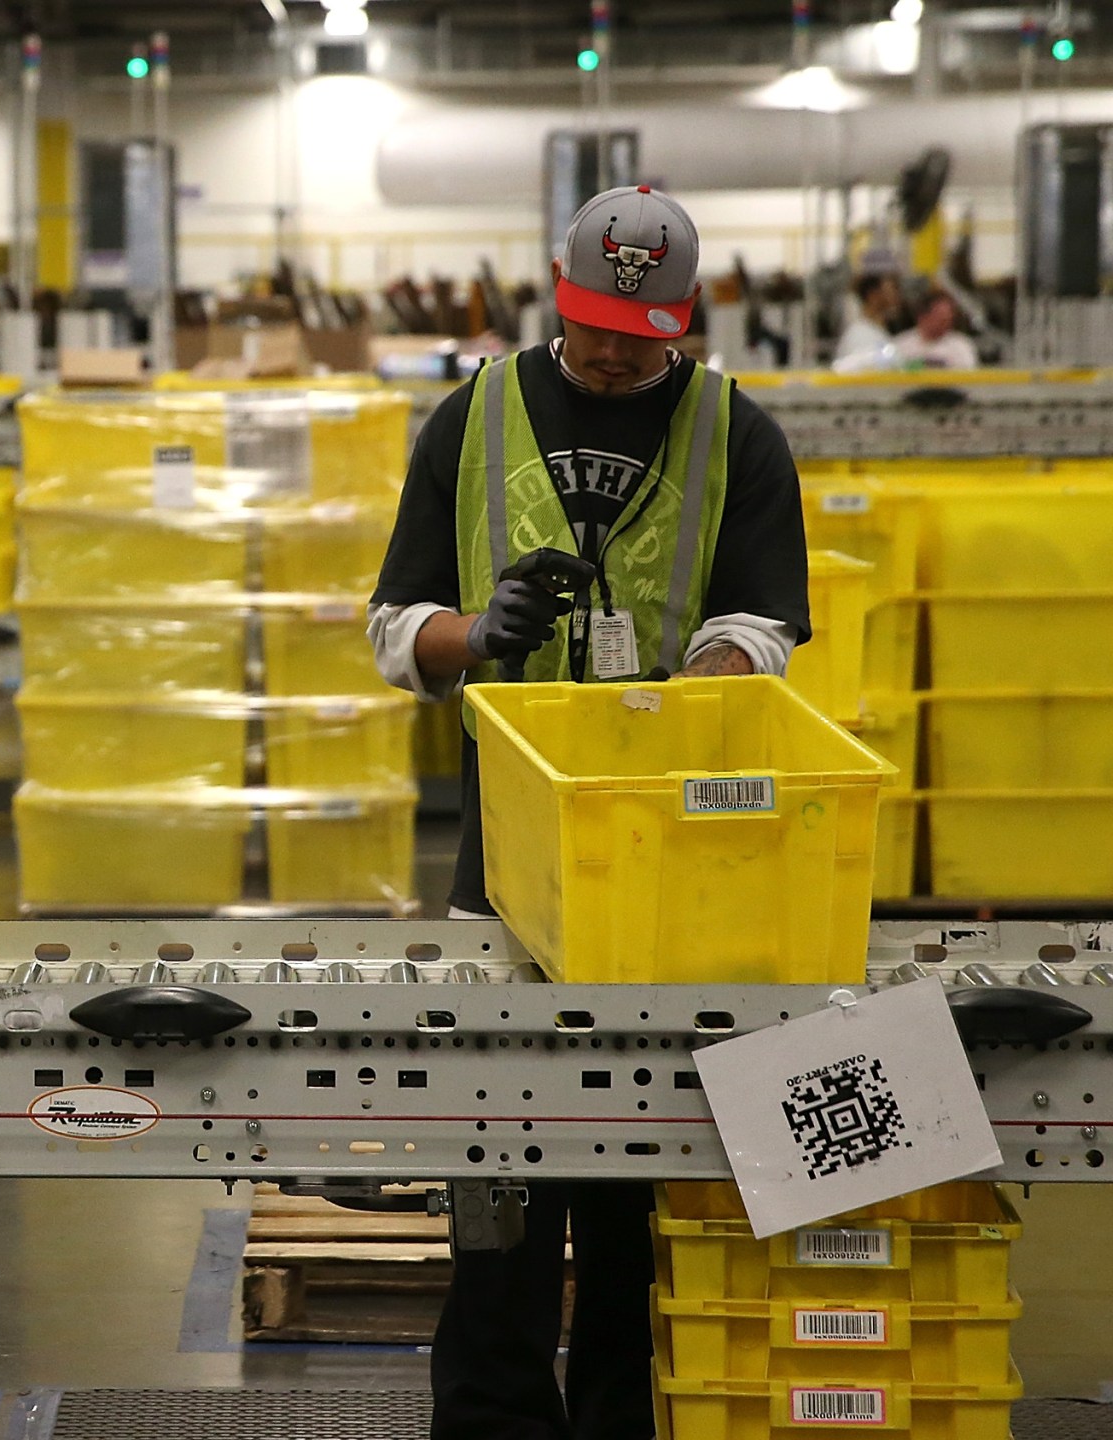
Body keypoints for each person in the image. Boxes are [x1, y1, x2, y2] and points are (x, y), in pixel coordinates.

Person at [365, 186, 810, 1440]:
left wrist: (692, 694)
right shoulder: (474, 416)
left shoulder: (737, 433)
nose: (620, 352)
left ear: (688, 321)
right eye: (600, 325)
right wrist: (479, 631)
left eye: (648, 332)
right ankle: (495, 1416)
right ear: (559, 298)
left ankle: (628, 1414)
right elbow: (394, 628)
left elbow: (763, 618)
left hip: (666, 847)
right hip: (503, 841)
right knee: (496, 1151)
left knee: (637, 1162)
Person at [890, 289, 980, 370]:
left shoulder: (962, 345)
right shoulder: (900, 345)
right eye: (940, 318)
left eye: (949, 319)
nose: (946, 323)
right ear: (922, 316)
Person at [835, 272, 902, 365]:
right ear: (873, 295)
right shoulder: (861, 335)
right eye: (892, 289)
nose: (896, 296)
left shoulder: (874, 331)